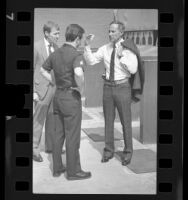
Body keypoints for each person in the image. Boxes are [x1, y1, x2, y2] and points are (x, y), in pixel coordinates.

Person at [84, 21, 142, 166]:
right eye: (109, 31)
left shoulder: (128, 49)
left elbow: (134, 69)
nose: (110, 34)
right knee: (108, 121)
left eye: (113, 31)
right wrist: (86, 45)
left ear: (121, 33)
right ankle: (108, 151)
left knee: (125, 122)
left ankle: (128, 152)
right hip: (108, 88)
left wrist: (122, 56)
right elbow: (91, 61)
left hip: (123, 87)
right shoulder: (105, 48)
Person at [40, 24, 92, 180]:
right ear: (77, 38)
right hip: (71, 97)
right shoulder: (76, 54)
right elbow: (78, 73)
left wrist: (55, 83)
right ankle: (73, 172)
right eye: (82, 39)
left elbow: (43, 70)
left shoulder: (56, 52)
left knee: (59, 134)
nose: (82, 41)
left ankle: (57, 168)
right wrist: (80, 89)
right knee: (73, 136)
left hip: (58, 97)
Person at [33, 21, 60, 162]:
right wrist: (33, 91)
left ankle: (50, 146)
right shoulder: (36, 46)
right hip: (40, 89)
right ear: (46, 33)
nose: (58, 36)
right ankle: (33, 149)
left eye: (59, 33)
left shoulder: (56, 47)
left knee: (52, 119)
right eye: (56, 33)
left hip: (54, 88)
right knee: (38, 120)